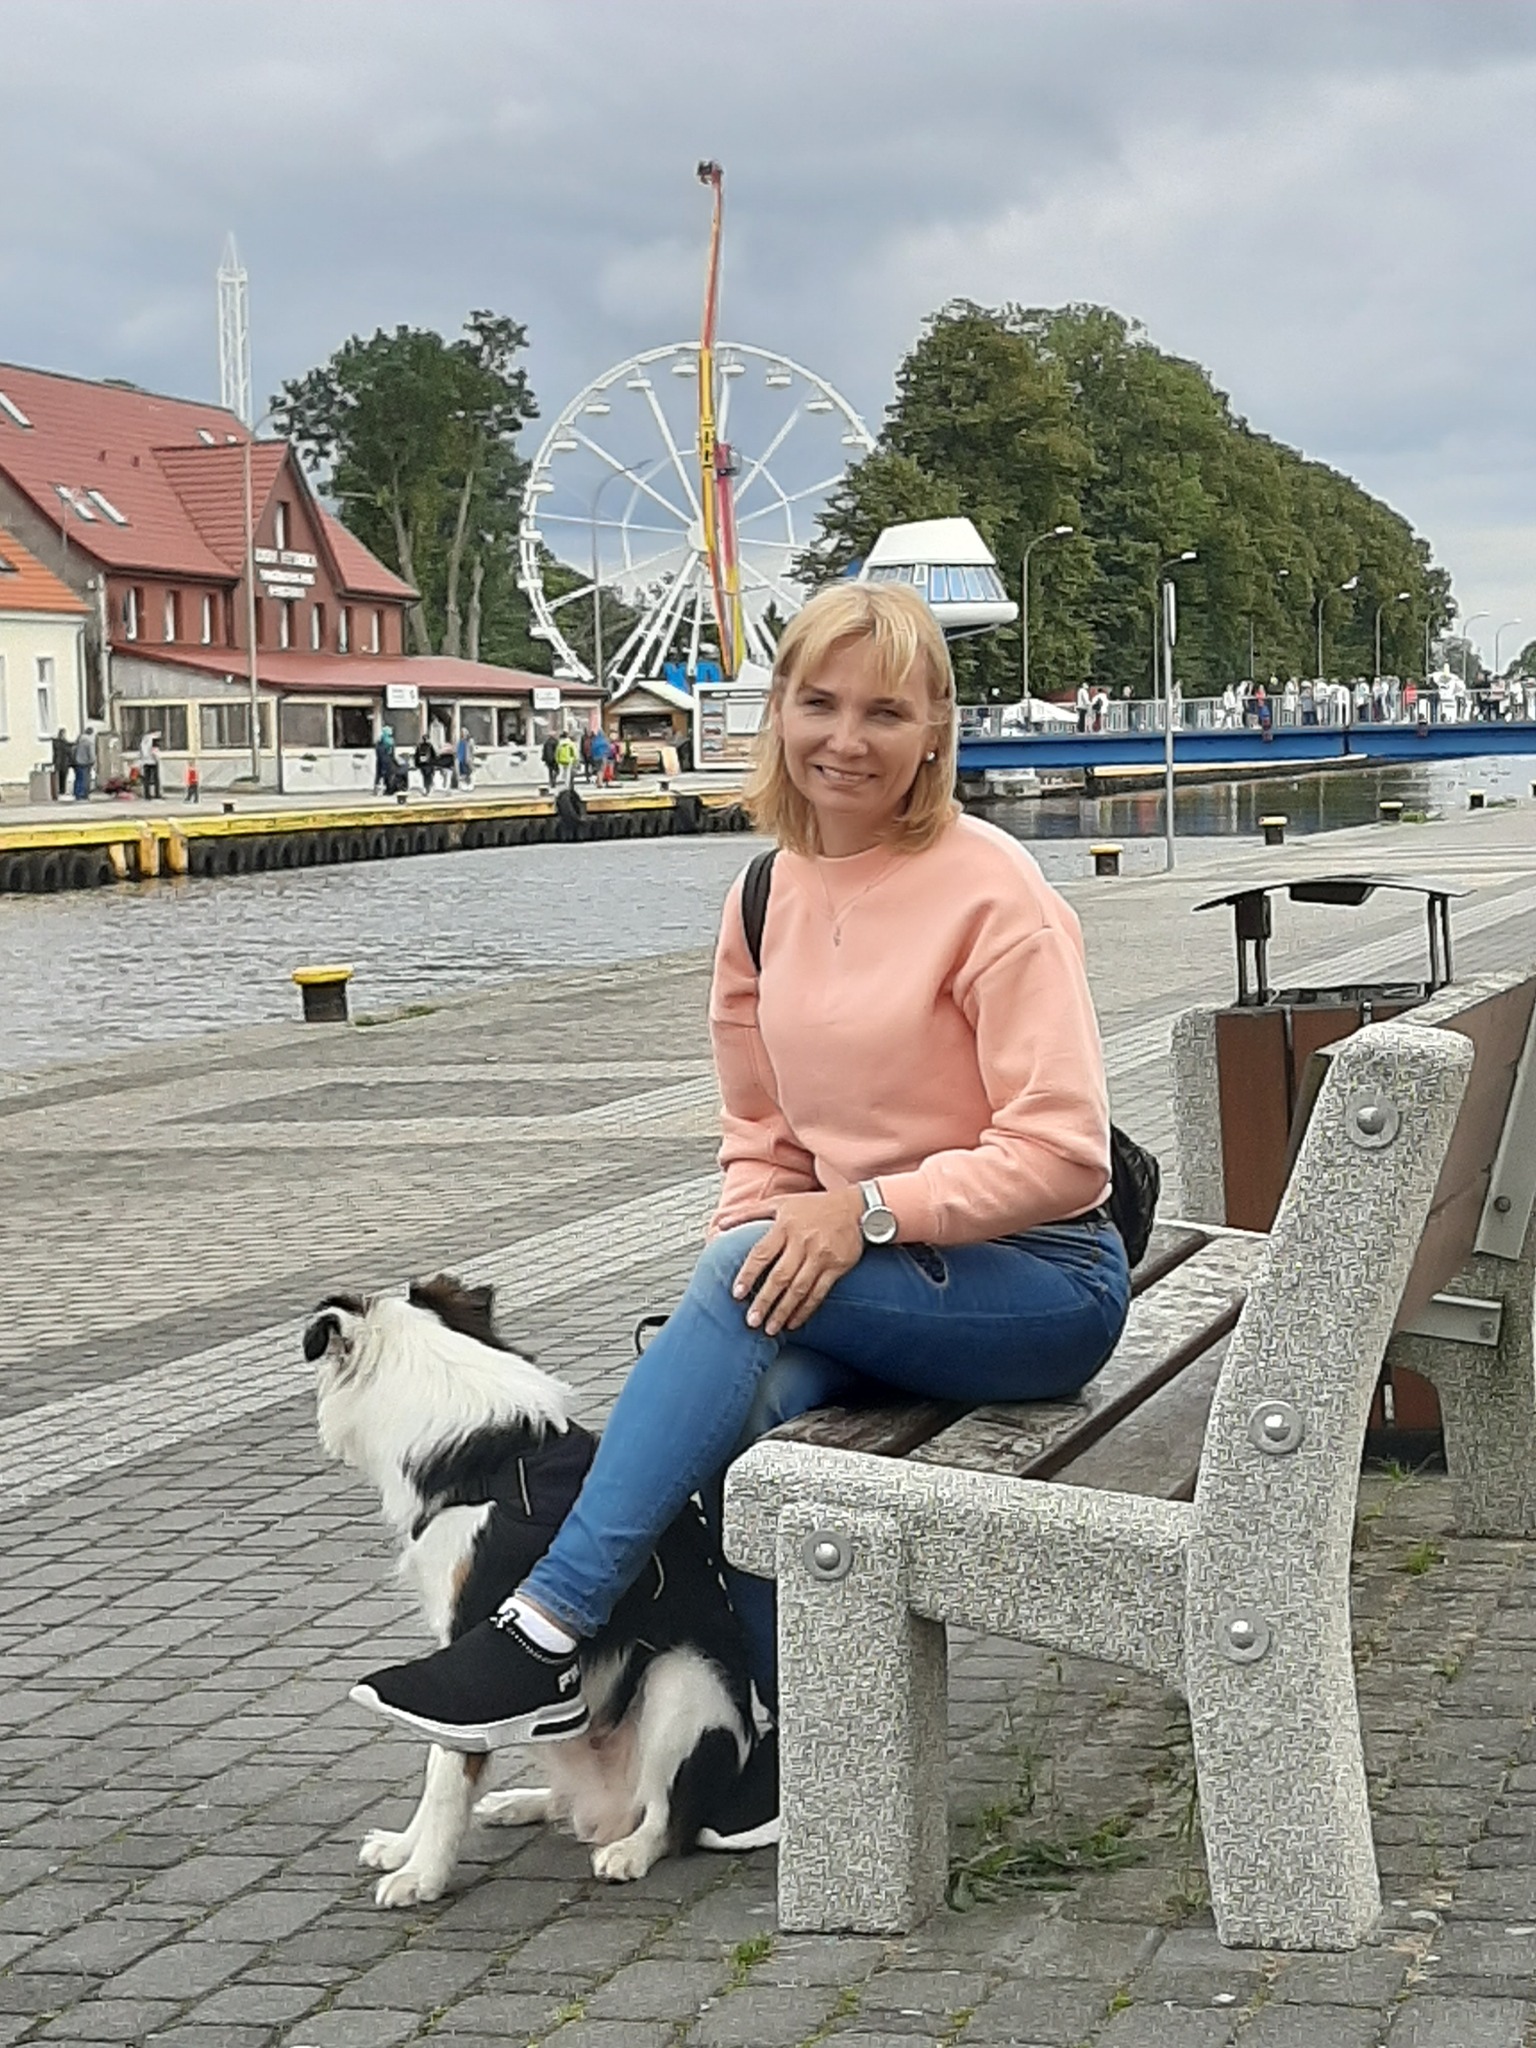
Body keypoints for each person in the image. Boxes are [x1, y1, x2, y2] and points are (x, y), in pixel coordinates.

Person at [351, 580, 1132, 1839]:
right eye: (819, 703)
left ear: (937, 728)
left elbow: (1064, 1154)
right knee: (747, 1401)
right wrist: (757, 1278)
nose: (846, 738)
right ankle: (800, 1738)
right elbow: (762, 1144)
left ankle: (546, 1624)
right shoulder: (764, 898)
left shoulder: (996, 890)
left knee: (733, 1282)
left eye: (886, 711)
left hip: (1038, 1280)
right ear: (777, 712)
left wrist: (862, 1212)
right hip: (873, 1280)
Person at [71, 727, 94, 801]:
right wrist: (92, 761)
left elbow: (73, 751)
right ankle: (83, 794)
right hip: (86, 763)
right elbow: (91, 753)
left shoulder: (78, 741)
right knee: (85, 779)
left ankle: (77, 793)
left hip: (76, 762)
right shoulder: (89, 742)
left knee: (78, 778)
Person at [138, 730, 161, 801]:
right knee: (155, 778)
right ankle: (157, 794)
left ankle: (147, 795)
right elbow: (155, 750)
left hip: (145, 761)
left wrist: (141, 760)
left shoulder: (144, 739)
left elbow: (141, 751)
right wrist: (157, 758)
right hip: (153, 761)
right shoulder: (154, 739)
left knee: (146, 779)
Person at [51, 727, 72, 801]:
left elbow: (55, 754)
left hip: (59, 762)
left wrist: (54, 762)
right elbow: (69, 752)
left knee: (60, 777)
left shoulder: (56, 743)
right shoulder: (65, 743)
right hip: (63, 762)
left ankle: (59, 791)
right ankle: (62, 791)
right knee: (63, 777)